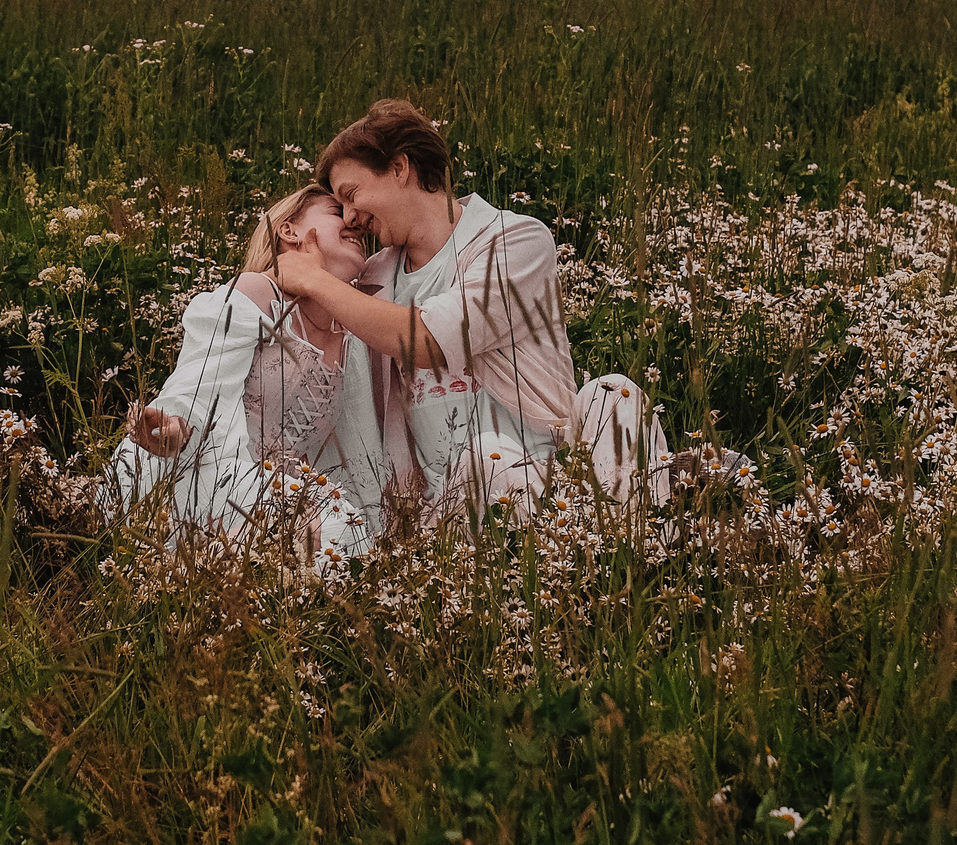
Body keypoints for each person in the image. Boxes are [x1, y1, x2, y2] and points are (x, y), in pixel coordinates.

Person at [271, 99, 671, 521]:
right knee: (485, 462)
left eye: (351, 195)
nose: (350, 217)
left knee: (611, 394)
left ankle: (629, 548)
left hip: (554, 483)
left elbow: (427, 341)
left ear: (399, 168)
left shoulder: (514, 241)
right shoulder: (371, 284)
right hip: (452, 516)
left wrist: (316, 280)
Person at [104, 184, 413, 561]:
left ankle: (212, 570)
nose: (354, 223)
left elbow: (358, 437)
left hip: (274, 489)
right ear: (289, 231)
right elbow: (200, 379)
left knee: (350, 533)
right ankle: (197, 567)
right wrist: (176, 426)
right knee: (323, 524)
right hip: (200, 468)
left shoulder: (351, 331)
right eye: (336, 212)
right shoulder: (257, 291)